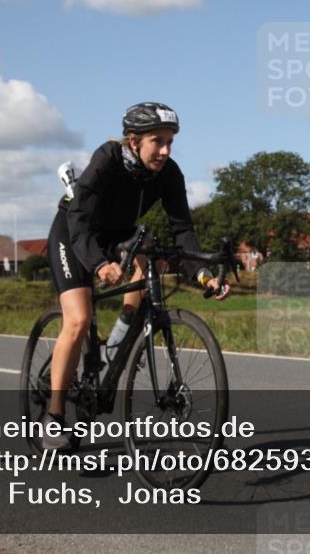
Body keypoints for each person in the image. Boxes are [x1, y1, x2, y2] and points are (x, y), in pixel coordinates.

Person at [43, 102, 230, 449]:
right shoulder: (107, 159)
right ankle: (54, 416)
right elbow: (80, 219)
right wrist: (99, 264)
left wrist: (203, 274)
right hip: (73, 232)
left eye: (170, 142)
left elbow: (182, 229)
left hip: (117, 234)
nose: (165, 151)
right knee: (79, 319)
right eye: (157, 141)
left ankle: (119, 340)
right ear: (134, 141)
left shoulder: (169, 173)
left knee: (152, 257)